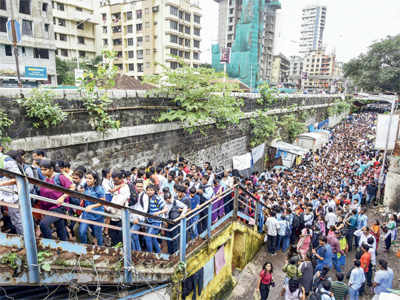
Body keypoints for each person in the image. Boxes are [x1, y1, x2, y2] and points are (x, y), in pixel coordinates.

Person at [38, 159, 73, 241]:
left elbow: (72, 187)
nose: (43, 172)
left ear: (51, 169)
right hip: (49, 208)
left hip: (59, 207)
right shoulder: (45, 179)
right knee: (60, 228)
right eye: (41, 170)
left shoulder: (59, 177)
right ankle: (65, 246)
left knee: (43, 224)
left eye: (45, 169)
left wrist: (62, 197)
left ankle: (50, 246)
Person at [78, 170, 105, 246]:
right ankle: (85, 248)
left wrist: (92, 206)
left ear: (95, 180)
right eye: (86, 178)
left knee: (98, 235)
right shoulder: (85, 185)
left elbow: (103, 201)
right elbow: (79, 189)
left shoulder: (99, 188)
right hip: (87, 214)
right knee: (82, 232)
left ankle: (100, 251)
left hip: (97, 214)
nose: (87, 180)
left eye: (90, 178)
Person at [0, 150, 23, 234]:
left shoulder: (7, 160)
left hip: (11, 194)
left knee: (16, 220)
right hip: (2, 194)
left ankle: (25, 242)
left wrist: (1, 184)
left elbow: (18, 178)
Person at [105, 171, 130, 246]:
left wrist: (108, 209)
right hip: (114, 215)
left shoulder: (125, 189)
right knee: (113, 234)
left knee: (120, 237)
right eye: (113, 180)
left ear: (121, 179)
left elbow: (119, 202)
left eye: (115, 180)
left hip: (120, 216)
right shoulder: (119, 185)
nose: (114, 182)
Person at [144, 184, 167, 253]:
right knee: (153, 238)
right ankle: (158, 252)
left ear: (154, 191)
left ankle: (150, 255)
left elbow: (165, 209)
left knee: (148, 237)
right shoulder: (146, 198)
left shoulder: (157, 199)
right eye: (148, 190)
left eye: (151, 190)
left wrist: (158, 213)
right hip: (149, 221)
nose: (149, 192)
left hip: (156, 222)